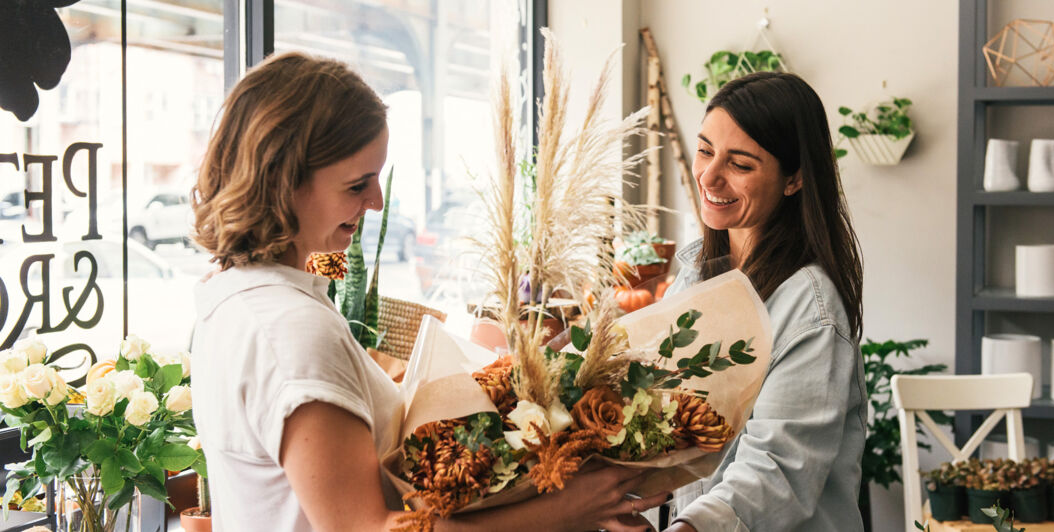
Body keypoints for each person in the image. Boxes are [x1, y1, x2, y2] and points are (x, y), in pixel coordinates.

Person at [189, 51, 665, 532]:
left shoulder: (232, 297)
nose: (375, 202)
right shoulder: (292, 332)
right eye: (358, 185)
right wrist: (568, 510)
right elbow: (369, 529)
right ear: (282, 182)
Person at [661, 72, 866, 532]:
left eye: (741, 164)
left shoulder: (810, 309)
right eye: (706, 150)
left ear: (793, 179)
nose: (709, 176)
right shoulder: (696, 273)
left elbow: (778, 471)